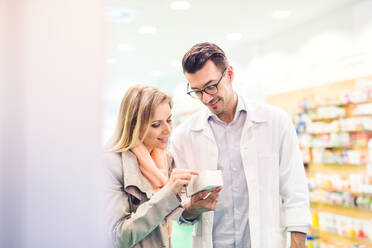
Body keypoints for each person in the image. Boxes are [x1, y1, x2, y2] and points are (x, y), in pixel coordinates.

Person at [170, 43, 312, 248]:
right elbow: (179, 214)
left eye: (211, 86)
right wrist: (193, 208)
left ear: (229, 73)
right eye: (197, 91)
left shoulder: (275, 122)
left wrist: (297, 244)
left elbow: (295, 190)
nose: (207, 98)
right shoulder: (183, 136)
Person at [103, 85, 198, 248]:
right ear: (134, 125)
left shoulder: (165, 159)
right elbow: (118, 237)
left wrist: (196, 208)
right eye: (156, 125)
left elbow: (170, 218)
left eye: (169, 120)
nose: (168, 130)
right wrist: (168, 193)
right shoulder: (110, 165)